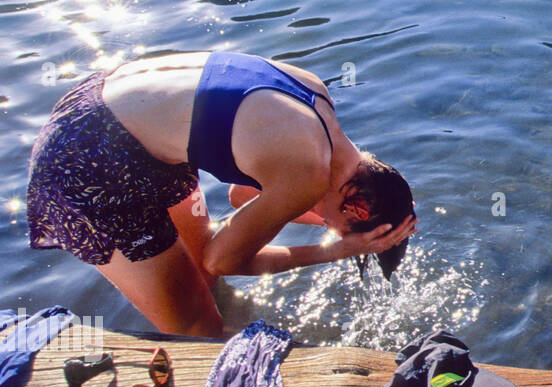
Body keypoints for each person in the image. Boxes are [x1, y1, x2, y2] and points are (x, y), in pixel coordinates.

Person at [27, 51, 417, 337]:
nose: (326, 228)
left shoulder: (315, 99)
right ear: (358, 205)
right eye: (336, 227)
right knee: (200, 332)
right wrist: (334, 251)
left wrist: (343, 230)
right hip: (87, 163)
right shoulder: (308, 172)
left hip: (108, 106)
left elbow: (240, 196)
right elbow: (222, 260)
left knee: (199, 275)